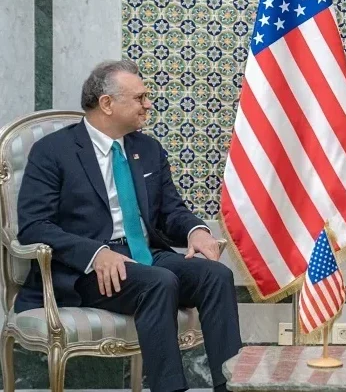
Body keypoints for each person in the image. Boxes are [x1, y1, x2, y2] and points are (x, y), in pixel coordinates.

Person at [15, 60, 242, 392]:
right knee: (159, 281)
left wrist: (196, 231)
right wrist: (96, 253)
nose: (148, 104)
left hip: (145, 255)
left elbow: (170, 211)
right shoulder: (53, 151)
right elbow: (34, 226)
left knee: (216, 275)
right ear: (107, 103)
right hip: (87, 270)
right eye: (140, 97)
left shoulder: (147, 149)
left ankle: (233, 387)